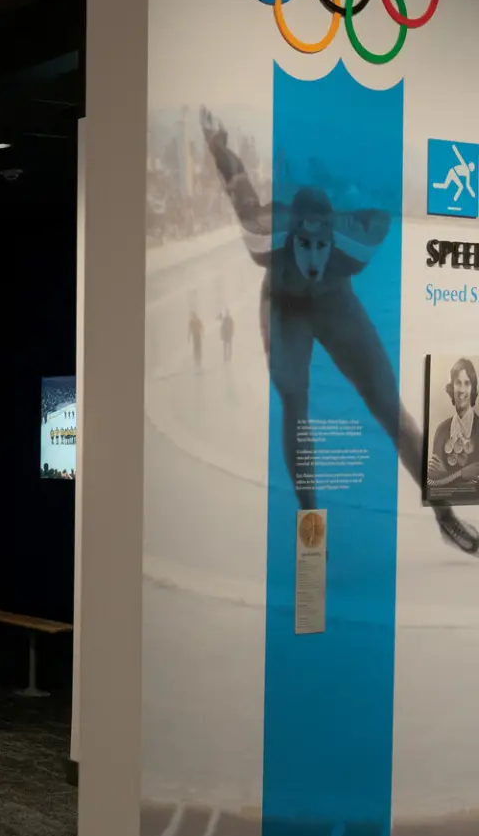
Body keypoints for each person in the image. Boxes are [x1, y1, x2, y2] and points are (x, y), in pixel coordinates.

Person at [202, 108, 479, 553]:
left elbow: (391, 196)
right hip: (285, 306)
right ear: (289, 237)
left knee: (393, 410)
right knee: (296, 404)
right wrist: (219, 146)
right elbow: (240, 188)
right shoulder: (265, 233)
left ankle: (446, 516)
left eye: (321, 246)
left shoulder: (358, 239)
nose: (312, 256)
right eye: (303, 245)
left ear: (336, 240)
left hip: (335, 304)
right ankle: (310, 531)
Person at [428, 357, 479, 500]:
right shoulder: (441, 431)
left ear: (473, 388)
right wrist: (463, 474)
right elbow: (432, 486)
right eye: (458, 383)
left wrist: (445, 476)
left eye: (467, 383)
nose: (462, 390)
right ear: (452, 387)